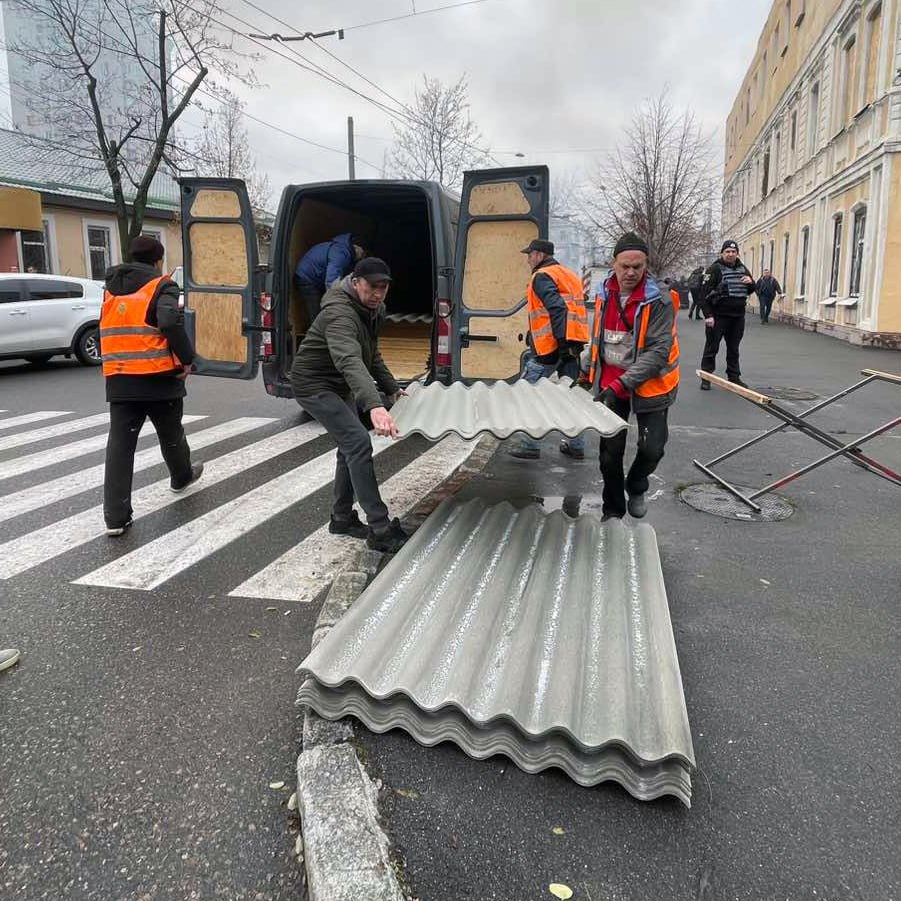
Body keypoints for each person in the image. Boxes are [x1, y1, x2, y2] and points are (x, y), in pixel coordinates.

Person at [291, 257, 409, 554]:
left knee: (349, 445)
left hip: (337, 383)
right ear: (356, 283)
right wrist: (374, 405)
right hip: (314, 384)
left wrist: (392, 389)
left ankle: (342, 518)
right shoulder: (340, 314)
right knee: (358, 442)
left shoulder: (371, 309)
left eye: (384, 288)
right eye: (373, 287)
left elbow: (370, 355)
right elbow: (349, 359)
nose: (379, 294)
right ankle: (380, 529)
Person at [101, 236, 203, 536]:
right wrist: (187, 359)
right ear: (158, 261)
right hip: (158, 376)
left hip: (119, 376)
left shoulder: (109, 288)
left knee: (120, 446)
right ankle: (181, 477)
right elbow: (169, 321)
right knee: (171, 433)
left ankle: (115, 518)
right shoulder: (161, 285)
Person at [585, 232, 679, 521]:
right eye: (625, 265)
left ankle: (637, 484)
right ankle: (612, 511)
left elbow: (658, 352)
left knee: (652, 449)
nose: (630, 272)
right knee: (609, 455)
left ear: (646, 265)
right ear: (613, 263)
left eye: (637, 266)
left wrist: (621, 383)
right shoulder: (603, 293)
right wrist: (583, 368)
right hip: (611, 384)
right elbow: (599, 339)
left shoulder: (660, 301)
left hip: (651, 386)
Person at [508, 239, 590, 461]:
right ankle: (576, 445)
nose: (527, 259)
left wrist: (560, 345)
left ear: (539, 255)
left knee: (528, 394)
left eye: (529, 254)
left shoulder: (541, 277)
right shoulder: (569, 274)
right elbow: (566, 309)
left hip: (551, 349)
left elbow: (557, 308)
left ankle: (529, 445)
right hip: (573, 344)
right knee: (570, 396)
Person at [698, 240, 756, 390]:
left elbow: (750, 289)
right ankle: (706, 377)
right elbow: (703, 294)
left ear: (737, 253)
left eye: (733, 252)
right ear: (722, 253)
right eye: (727, 252)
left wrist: (751, 283)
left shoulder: (743, 268)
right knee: (712, 347)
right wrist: (708, 315)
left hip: (737, 317)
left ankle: (734, 377)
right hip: (718, 316)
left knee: (734, 348)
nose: (730, 254)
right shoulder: (714, 269)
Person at [294, 233, 366, 325]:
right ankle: (316, 336)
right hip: (307, 279)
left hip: (314, 277)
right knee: (317, 315)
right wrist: (337, 299)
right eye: (363, 253)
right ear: (356, 247)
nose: (362, 256)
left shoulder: (344, 251)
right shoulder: (341, 252)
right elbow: (331, 279)